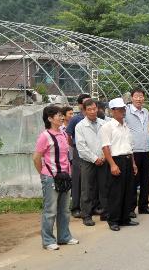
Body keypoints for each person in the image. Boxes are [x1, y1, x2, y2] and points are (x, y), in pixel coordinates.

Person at [32, 105, 78, 250]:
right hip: (51, 177)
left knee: (64, 209)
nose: (61, 117)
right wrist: (44, 174)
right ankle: (48, 240)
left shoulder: (63, 134)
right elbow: (36, 158)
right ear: (50, 118)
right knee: (50, 210)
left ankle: (64, 236)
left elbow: (66, 156)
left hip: (65, 176)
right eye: (58, 115)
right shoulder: (45, 136)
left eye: (61, 115)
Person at [100, 97, 138, 231]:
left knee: (128, 190)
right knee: (115, 192)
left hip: (127, 159)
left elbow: (130, 146)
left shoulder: (125, 125)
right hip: (116, 160)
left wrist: (133, 163)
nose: (123, 111)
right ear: (112, 111)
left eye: (124, 108)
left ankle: (125, 218)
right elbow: (105, 147)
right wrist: (112, 165)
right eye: (120, 109)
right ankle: (113, 220)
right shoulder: (107, 127)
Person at [75, 98, 108, 227]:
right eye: (89, 109)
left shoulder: (104, 124)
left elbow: (107, 142)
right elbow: (81, 147)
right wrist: (95, 158)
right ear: (84, 111)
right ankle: (86, 215)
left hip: (103, 159)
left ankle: (105, 212)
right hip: (88, 161)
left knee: (104, 187)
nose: (93, 111)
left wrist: (103, 157)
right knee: (87, 189)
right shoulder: (80, 126)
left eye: (94, 109)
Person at [125, 88, 149, 217]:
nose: (139, 99)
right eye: (136, 96)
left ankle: (144, 205)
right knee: (133, 180)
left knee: (145, 179)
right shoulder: (126, 111)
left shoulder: (146, 111)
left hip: (146, 149)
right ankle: (131, 208)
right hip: (133, 150)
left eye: (141, 96)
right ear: (131, 98)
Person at [66, 93, 90, 218]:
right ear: (80, 105)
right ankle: (75, 207)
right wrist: (74, 146)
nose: (88, 105)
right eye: (85, 102)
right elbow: (68, 136)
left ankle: (89, 206)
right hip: (78, 151)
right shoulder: (76, 119)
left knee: (89, 180)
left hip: (90, 152)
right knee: (77, 179)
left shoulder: (93, 118)